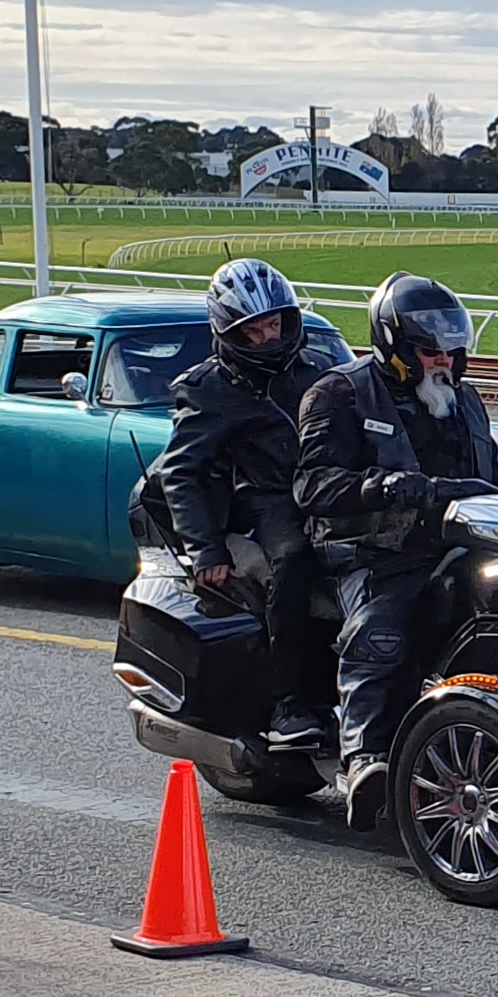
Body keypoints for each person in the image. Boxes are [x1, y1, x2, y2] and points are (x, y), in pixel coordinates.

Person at [296, 273, 498, 829]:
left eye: (450, 351)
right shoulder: (338, 393)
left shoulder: (466, 401)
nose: (441, 361)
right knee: (383, 628)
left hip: (460, 541)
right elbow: (312, 487)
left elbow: (495, 477)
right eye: (427, 351)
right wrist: (380, 486)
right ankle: (364, 757)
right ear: (392, 345)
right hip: (371, 549)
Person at [141, 259, 338, 755]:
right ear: (229, 332)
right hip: (267, 497)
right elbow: (179, 474)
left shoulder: (319, 370)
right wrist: (207, 551)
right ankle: (289, 704)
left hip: (333, 491)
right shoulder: (208, 387)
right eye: (254, 331)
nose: (269, 337)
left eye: (275, 324)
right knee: (293, 560)